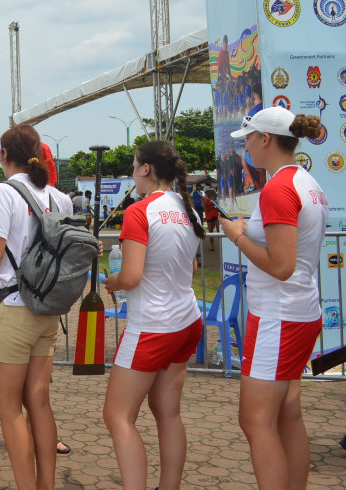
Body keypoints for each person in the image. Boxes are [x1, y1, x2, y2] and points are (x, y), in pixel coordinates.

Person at [219, 108, 327, 490]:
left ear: (265, 139)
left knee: (255, 420)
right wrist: (251, 231)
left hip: (279, 317)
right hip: (297, 311)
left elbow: (281, 266)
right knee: (287, 417)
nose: (245, 147)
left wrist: (237, 235)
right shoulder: (305, 181)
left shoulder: (279, 188)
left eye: (247, 138)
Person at [0, 127, 70, 490]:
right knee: (39, 401)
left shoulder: (3, 193)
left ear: (5, 155)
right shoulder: (58, 197)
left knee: (10, 410)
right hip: (47, 310)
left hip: (11, 309)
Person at [101, 141, 205, 490]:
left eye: (133, 167)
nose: (132, 174)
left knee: (117, 416)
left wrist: (112, 282)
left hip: (152, 327)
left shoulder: (139, 211)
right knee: (168, 412)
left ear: (146, 169)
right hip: (186, 320)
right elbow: (189, 267)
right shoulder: (189, 209)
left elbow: (130, 276)